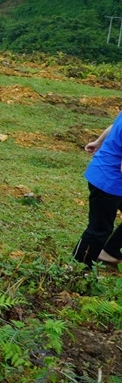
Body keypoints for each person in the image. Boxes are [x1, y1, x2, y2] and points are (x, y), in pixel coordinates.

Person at [74, 112, 122, 267]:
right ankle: (76, 268)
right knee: (99, 229)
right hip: (108, 183)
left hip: (104, 174)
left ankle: (110, 252)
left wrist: (98, 141)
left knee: (100, 228)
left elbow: (113, 126)